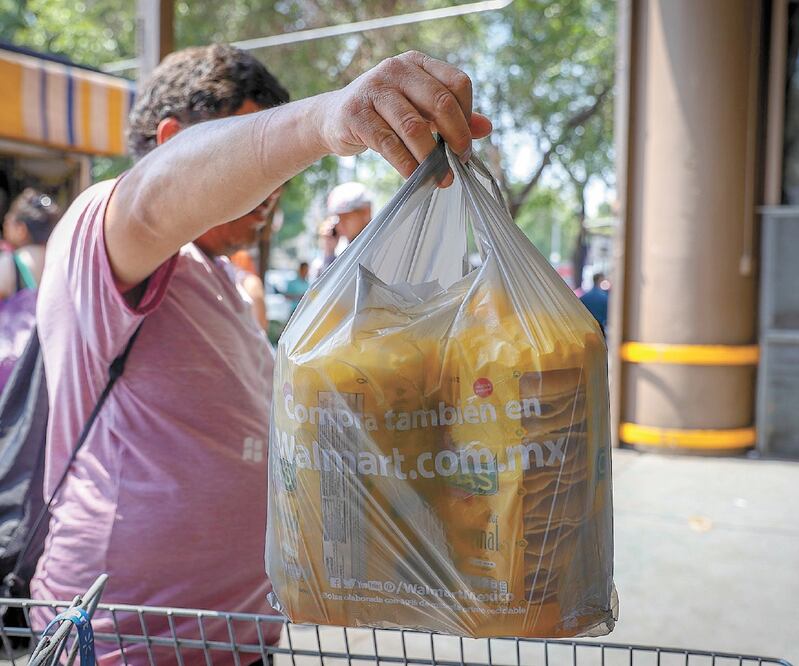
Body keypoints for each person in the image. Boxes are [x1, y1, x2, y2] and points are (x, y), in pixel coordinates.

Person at [30, 42, 491, 664]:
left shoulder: (220, 276)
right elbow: (152, 198)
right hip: (122, 642)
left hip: (240, 638)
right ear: (173, 142)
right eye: (259, 179)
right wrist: (325, 120)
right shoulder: (104, 231)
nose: (268, 205)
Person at [0, 188, 61, 297]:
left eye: (8, 222)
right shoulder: (60, 260)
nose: (5, 226)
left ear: (21, 230)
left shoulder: (9, 263)